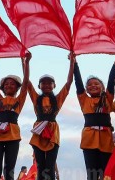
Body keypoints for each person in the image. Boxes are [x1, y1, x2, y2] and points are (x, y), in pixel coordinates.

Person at [28, 52, 75, 180]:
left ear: (54, 86)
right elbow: (27, 82)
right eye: (44, 83)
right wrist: (25, 62)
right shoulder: (36, 98)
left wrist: (72, 62)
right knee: (40, 166)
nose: (47, 85)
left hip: (53, 132)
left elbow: (69, 82)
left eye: (50, 83)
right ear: (39, 86)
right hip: (38, 131)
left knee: (50, 165)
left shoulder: (58, 99)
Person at [73, 52, 115, 180]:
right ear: (86, 89)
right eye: (90, 84)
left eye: (96, 84)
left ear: (102, 87)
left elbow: (111, 80)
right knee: (92, 173)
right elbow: (77, 81)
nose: (93, 85)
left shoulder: (108, 99)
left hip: (106, 139)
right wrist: (74, 62)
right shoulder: (84, 99)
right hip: (89, 139)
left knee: (106, 172)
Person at [0, 52, 31, 180]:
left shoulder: (19, 99)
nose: (9, 85)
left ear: (17, 87)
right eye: (6, 83)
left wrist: (26, 63)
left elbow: (25, 84)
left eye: (12, 84)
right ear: (3, 87)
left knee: (9, 169)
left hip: (13, 135)